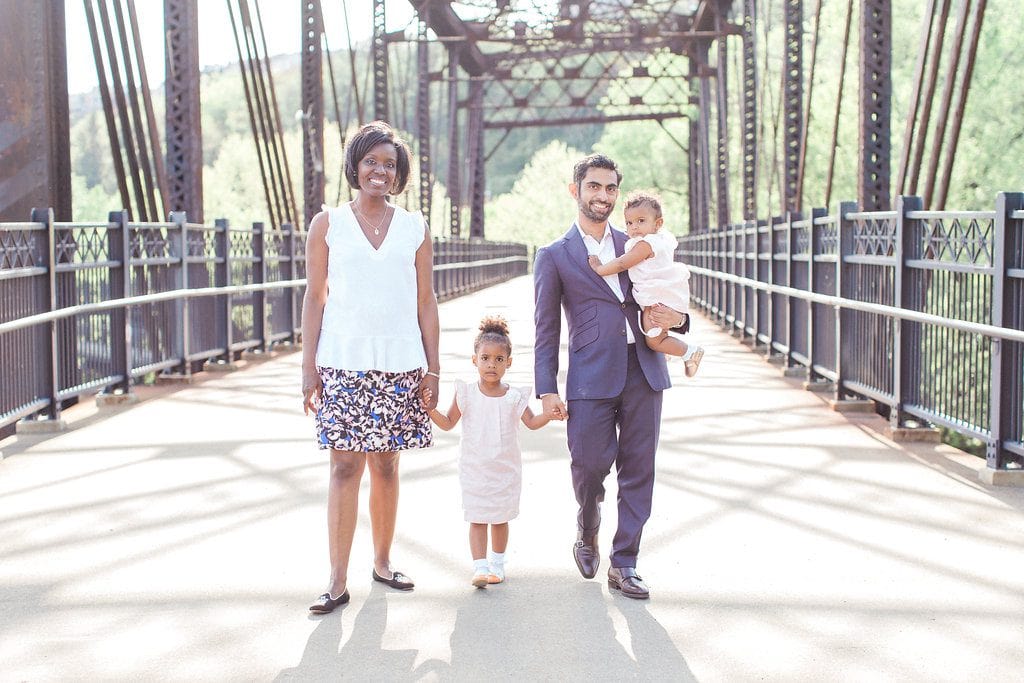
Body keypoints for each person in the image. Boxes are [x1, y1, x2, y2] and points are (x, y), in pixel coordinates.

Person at [533, 153, 689, 600]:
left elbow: (673, 294)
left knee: (639, 469)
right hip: (589, 376)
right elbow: (547, 329)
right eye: (594, 187)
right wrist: (547, 389)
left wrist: (678, 320)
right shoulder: (554, 256)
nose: (603, 196)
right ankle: (588, 525)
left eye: (610, 188)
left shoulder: (640, 241)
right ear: (575, 190)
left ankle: (625, 563)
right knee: (589, 464)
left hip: (644, 368)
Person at [301, 121, 440, 614]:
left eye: (389, 164)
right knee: (343, 465)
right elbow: (315, 298)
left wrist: (433, 369)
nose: (380, 171)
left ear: (398, 173)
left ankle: (382, 563)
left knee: (386, 462)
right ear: (355, 168)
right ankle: (336, 581)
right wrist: (308, 367)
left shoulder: (414, 228)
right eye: (371, 162)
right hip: (342, 361)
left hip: (401, 361)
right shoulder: (328, 224)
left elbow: (426, 301)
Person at [425, 315, 557, 588]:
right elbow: (449, 423)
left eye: (499, 359)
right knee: (477, 517)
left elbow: (531, 423)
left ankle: (497, 565)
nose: (491, 365)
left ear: (508, 363)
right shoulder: (466, 394)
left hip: (504, 471)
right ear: (474, 360)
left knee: (499, 519)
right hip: (474, 470)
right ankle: (479, 567)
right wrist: (429, 411)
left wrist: (550, 415)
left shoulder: (513, 396)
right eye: (485, 358)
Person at [588, 190, 704, 377]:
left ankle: (689, 352)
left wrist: (600, 269)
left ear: (658, 223)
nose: (634, 227)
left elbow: (622, 263)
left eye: (641, 221)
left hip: (655, 298)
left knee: (653, 341)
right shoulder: (661, 239)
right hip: (663, 294)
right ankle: (671, 350)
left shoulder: (645, 244)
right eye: (629, 223)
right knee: (658, 336)